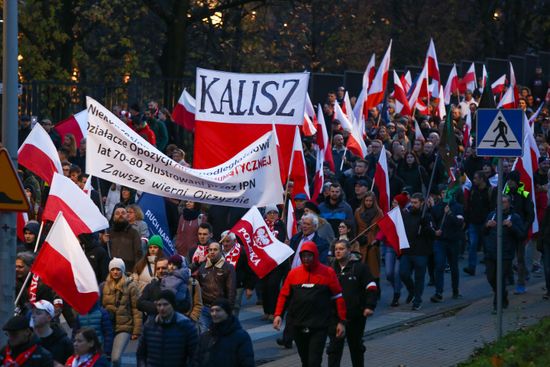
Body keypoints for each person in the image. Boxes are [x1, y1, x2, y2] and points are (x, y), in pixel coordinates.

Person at [273, 242, 346, 367]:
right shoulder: (293, 274)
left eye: (309, 256)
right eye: (304, 256)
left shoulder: (328, 272)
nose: (306, 259)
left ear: (315, 256)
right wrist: (278, 314)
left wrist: (341, 321)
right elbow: (284, 295)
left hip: (319, 326)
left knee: (314, 361)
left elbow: (338, 297)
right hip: (298, 324)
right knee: (305, 360)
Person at [326, 240, 377, 367]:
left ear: (349, 251)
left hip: (355, 316)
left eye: (341, 249)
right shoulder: (330, 270)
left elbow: (371, 286)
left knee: (356, 347)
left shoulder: (360, 268)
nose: (337, 251)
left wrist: (369, 306)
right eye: (336, 249)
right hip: (335, 317)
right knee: (334, 349)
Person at [483, 195, 524, 312]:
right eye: (500, 202)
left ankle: (497, 305)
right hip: (491, 252)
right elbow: (483, 232)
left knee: (500, 278)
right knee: (491, 277)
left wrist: (512, 226)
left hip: (505, 254)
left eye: (504, 202)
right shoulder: (492, 215)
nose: (502, 204)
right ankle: (503, 294)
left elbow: (521, 235)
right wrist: (486, 225)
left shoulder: (514, 217)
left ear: (509, 204)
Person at [137, 290, 198, 366]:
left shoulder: (186, 326)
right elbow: (141, 353)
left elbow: (194, 356)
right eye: (159, 305)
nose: (162, 308)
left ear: (172, 305)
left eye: (165, 304)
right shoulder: (149, 326)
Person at [101, 258, 142, 367]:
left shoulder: (131, 286)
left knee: (116, 358)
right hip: (107, 326)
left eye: (118, 269)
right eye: (113, 269)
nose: (115, 272)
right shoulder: (103, 286)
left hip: (124, 326)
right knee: (105, 357)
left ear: (122, 270)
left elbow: (136, 309)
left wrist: (136, 331)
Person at [400, 193, 435, 310]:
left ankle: (418, 300)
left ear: (421, 203)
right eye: (412, 202)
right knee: (403, 273)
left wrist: (425, 225)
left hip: (421, 252)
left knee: (419, 277)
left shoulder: (427, 216)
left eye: (415, 203)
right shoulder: (407, 215)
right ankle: (412, 290)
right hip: (407, 251)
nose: (413, 205)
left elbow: (432, 233)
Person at [429, 185, 464, 302]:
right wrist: (435, 231)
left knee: (454, 266)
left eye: (447, 193)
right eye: (443, 193)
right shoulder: (436, 208)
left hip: (453, 241)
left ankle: (455, 290)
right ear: (440, 195)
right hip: (440, 241)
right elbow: (432, 222)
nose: (445, 195)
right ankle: (438, 292)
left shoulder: (458, 207)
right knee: (439, 265)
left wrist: (450, 214)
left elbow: (460, 223)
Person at [196, 298, 254, 367]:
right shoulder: (205, 337)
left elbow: (247, 362)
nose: (214, 314)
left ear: (227, 313)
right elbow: (197, 360)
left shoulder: (241, 336)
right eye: (212, 311)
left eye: (218, 310)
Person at [197, 242, 236, 332]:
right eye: (210, 250)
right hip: (205, 309)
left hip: (221, 308)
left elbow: (231, 290)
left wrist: (229, 309)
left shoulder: (228, 267)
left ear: (221, 251)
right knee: (204, 334)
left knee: (221, 335)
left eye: (215, 250)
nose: (212, 252)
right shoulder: (202, 267)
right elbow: (198, 288)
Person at [464, 171, 495, 276]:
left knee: (487, 247)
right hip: (473, 222)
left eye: (476, 178)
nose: (474, 180)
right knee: (472, 245)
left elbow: (492, 207)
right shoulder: (473, 190)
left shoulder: (490, 191)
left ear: (482, 179)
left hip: (485, 224)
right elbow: (469, 205)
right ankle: (471, 267)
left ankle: (489, 267)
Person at [220, 230, 256, 317]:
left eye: (228, 241)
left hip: (237, 285)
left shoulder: (243, 252)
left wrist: (250, 287)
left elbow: (250, 270)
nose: (225, 244)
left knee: (234, 308)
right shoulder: (217, 251)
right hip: (220, 285)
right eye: (223, 241)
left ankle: (232, 327)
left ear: (235, 241)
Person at [30, 300, 73, 365]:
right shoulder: (29, 341)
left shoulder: (64, 342)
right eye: (32, 312)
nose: (33, 316)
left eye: (38, 313)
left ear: (49, 317)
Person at [354, 191, 383, 282]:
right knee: (360, 268)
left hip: (373, 244)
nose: (368, 202)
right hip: (361, 243)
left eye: (370, 200)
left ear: (374, 201)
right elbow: (355, 227)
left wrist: (377, 239)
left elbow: (382, 228)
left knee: (373, 269)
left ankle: (376, 289)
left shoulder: (379, 212)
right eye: (366, 200)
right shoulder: (358, 212)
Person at [109, 207, 142, 273]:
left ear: (127, 216)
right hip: (112, 272)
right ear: (113, 217)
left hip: (129, 272)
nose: (120, 215)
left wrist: (136, 271)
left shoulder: (134, 233)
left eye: (123, 213)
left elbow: (138, 254)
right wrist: (103, 241)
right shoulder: (109, 233)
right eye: (117, 213)